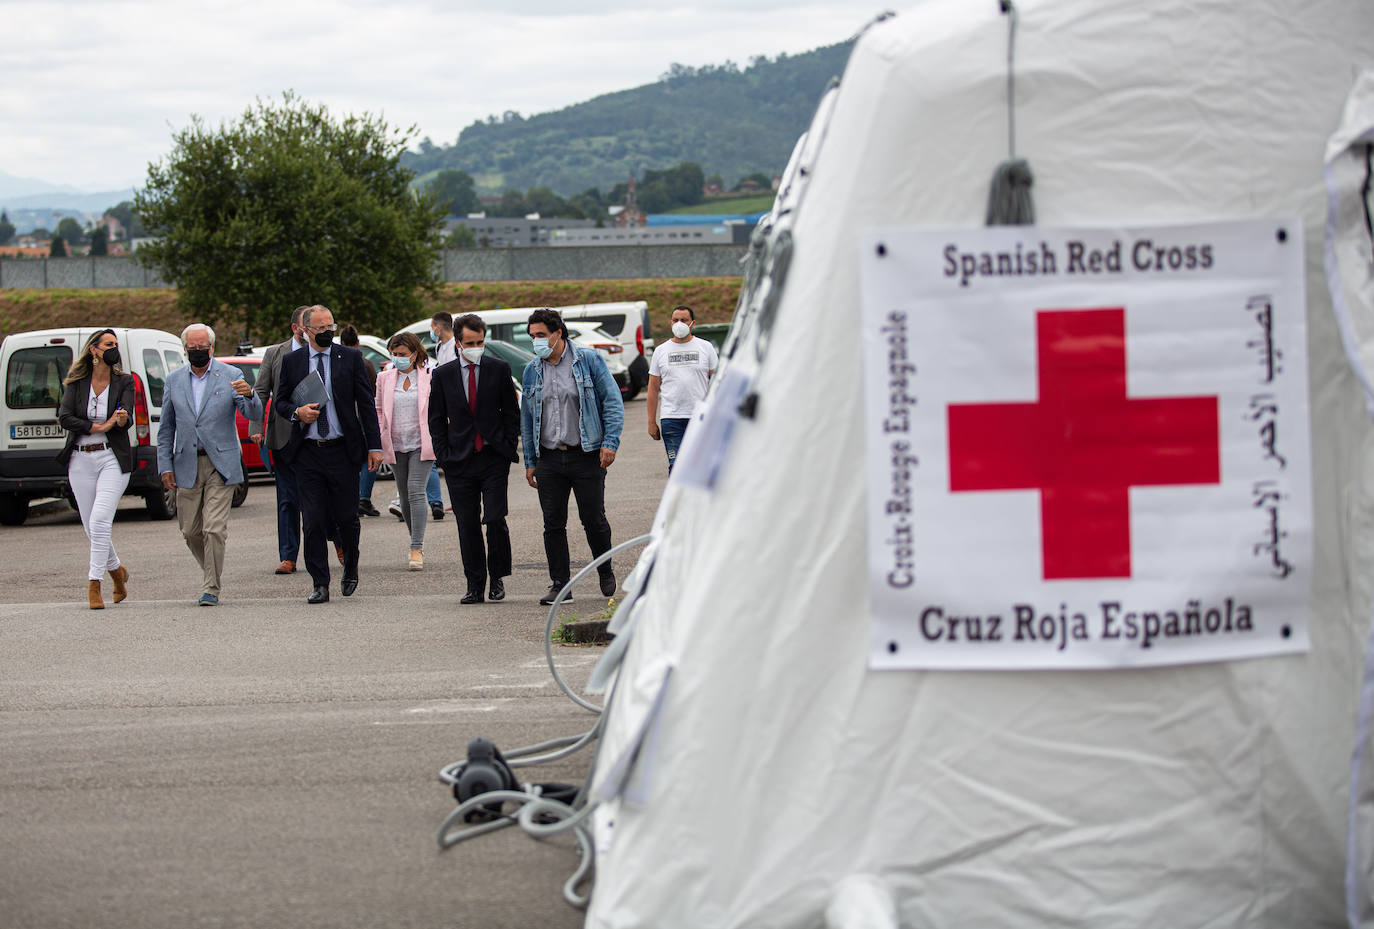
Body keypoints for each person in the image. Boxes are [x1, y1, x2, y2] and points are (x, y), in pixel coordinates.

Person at [273, 304, 383, 604]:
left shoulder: (350, 358)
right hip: (308, 452)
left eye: (330, 326)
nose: (326, 332)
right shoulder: (293, 362)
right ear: (304, 330)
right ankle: (320, 582)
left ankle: (350, 565)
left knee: (347, 518)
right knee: (313, 521)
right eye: (319, 328)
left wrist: (375, 445)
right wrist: (297, 412)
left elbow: (366, 404)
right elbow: (280, 401)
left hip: (342, 450)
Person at [520, 308, 624, 605]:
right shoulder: (532, 370)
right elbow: (527, 420)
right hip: (549, 458)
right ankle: (560, 585)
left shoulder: (588, 361)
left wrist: (610, 442)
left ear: (558, 333)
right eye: (532, 336)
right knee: (553, 523)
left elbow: (612, 403)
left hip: (586, 454)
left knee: (593, 519)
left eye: (541, 335)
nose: (536, 341)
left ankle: (604, 568)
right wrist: (530, 461)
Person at [157, 324, 262, 606]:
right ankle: (211, 571)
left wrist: (250, 395)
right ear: (185, 350)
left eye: (203, 347)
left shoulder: (231, 375)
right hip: (186, 464)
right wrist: (164, 465)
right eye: (193, 348)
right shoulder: (174, 380)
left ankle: (211, 587)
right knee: (190, 531)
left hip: (221, 464)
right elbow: (166, 427)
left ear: (212, 348)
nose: (198, 352)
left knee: (213, 529)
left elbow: (252, 412)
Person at [429, 314, 520, 604]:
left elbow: (511, 412)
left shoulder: (499, 369)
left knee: (495, 519)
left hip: (493, 458)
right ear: (457, 342)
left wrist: (507, 444)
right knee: (466, 524)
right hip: (459, 460)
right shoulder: (443, 375)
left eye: (480, 342)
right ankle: (474, 583)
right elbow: (435, 420)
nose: (476, 347)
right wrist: (444, 455)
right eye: (470, 343)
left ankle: (497, 578)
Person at [57, 329, 134, 610]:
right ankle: (117, 572)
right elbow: (64, 416)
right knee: (91, 527)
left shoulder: (124, 380)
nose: (114, 348)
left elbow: (126, 417)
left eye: (116, 344)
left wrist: (122, 418)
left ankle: (94, 583)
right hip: (80, 459)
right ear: (94, 350)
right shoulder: (76, 383)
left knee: (100, 520)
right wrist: (97, 426)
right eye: (108, 344)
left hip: (112, 457)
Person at [250, 306, 310, 574]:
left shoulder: (327, 353)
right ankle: (289, 556)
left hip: (317, 436)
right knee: (287, 499)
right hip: (283, 435)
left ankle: (337, 542)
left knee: (322, 497)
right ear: (296, 328)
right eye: (307, 325)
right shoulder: (275, 353)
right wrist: (256, 424)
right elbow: (261, 390)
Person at [375, 333, 434, 570]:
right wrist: (379, 440)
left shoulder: (430, 376)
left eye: (402, 354)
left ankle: (416, 547)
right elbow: (378, 409)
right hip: (396, 442)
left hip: (422, 442)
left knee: (414, 490)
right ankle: (415, 539)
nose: (398, 358)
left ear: (415, 354)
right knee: (404, 496)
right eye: (394, 354)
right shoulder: (384, 378)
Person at [646, 304, 717, 472]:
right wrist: (651, 422)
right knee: (676, 468)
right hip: (672, 419)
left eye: (684, 320)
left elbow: (717, 383)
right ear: (670, 323)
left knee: (702, 467)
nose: (679, 323)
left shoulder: (705, 347)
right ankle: (678, 499)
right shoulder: (661, 351)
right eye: (675, 320)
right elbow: (653, 388)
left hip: (700, 417)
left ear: (692, 323)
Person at [340, 325, 383, 518]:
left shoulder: (337, 362)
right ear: (358, 343)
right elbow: (372, 395)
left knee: (351, 458)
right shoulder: (364, 363)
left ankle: (353, 497)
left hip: (345, 418)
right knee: (369, 457)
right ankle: (363, 498)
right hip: (362, 417)